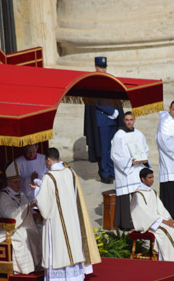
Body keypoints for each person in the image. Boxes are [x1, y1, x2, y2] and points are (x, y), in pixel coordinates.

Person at [34, 148, 101, 280]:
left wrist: (37, 190)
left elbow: (43, 205)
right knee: (73, 247)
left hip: (56, 222)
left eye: (46, 162)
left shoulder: (49, 177)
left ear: (48, 160)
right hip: (72, 219)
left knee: (59, 250)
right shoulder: (70, 172)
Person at [0, 160, 42, 274]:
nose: (19, 184)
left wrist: (34, 213)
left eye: (19, 181)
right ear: (8, 183)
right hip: (6, 230)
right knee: (23, 235)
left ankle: (37, 264)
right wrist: (27, 207)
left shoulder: (21, 194)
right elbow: (11, 215)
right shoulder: (3, 197)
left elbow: (26, 211)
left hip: (20, 225)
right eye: (15, 182)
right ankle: (24, 269)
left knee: (40, 228)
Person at [131, 168, 174, 261]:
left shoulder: (152, 192)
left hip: (157, 220)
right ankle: (169, 258)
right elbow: (144, 213)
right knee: (165, 231)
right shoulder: (138, 195)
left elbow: (160, 208)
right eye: (149, 177)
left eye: (153, 177)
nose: (152, 180)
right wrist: (163, 221)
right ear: (143, 179)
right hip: (148, 223)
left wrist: (169, 219)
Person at [84, 56, 124, 184]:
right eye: (101, 67)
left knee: (111, 149)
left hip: (111, 121)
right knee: (103, 149)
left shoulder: (108, 79)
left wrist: (116, 110)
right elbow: (95, 101)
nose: (104, 70)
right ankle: (104, 173)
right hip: (102, 121)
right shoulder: (91, 82)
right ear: (96, 67)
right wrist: (111, 111)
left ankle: (112, 171)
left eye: (105, 67)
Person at [111, 111, 149, 230]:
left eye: (131, 119)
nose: (129, 122)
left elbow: (145, 149)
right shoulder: (119, 135)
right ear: (124, 120)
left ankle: (139, 220)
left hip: (137, 169)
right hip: (126, 171)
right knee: (125, 198)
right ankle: (126, 223)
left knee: (138, 196)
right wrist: (130, 162)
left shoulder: (139, 134)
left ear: (134, 120)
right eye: (127, 120)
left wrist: (142, 158)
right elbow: (115, 154)